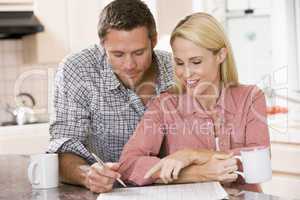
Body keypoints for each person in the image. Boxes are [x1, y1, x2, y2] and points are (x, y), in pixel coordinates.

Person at [118, 12, 270, 192]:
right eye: (179, 63)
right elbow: (128, 164)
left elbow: (259, 159)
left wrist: (192, 155)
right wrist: (196, 173)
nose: (187, 73)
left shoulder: (250, 97)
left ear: (221, 55)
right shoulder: (164, 105)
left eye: (196, 62)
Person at [48, 0, 174, 193]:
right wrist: (87, 175)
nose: (129, 65)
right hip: (105, 193)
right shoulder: (77, 69)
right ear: (102, 44)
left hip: (171, 188)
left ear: (154, 41)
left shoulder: (176, 68)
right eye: (118, 54)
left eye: (139, 52)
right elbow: (64, 145)